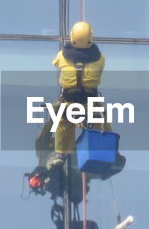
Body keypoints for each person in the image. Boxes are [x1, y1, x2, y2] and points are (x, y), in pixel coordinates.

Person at [44, 21, 109, 169]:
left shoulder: (62, 56)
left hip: (69, 102)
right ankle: (107, 150)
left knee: (62, 124)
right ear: (90, 37)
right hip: (90, 103)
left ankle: (61, 153)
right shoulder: (100, 59)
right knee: (102, 124)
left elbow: (56, 63)